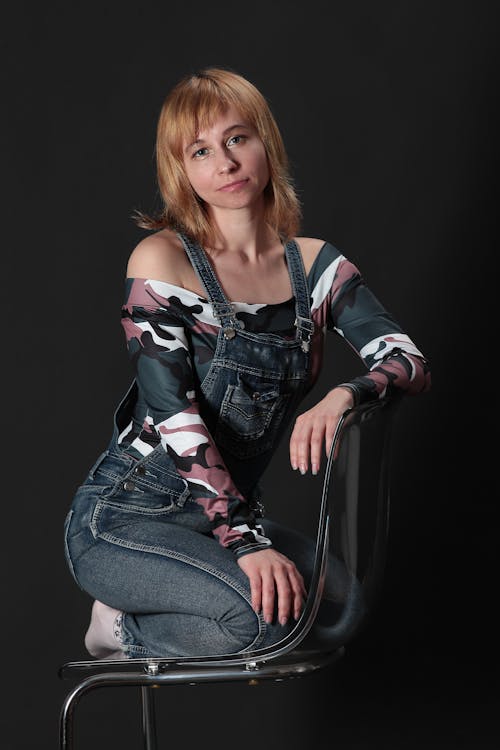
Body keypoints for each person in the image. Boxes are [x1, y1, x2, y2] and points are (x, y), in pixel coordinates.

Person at [63, 67, 431, 660]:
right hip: (126, 519)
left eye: (237, 139)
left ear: (265, 142)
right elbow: (172, 412)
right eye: (201, 151)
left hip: (219, 519)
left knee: (341, 610)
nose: (226, 164)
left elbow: (406, 360)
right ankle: (120, 628)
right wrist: (245, 539)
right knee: (267, 626)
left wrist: (345, 394)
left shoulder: (316, 267)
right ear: (181, 170)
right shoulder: (162, 259)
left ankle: (183, 594)